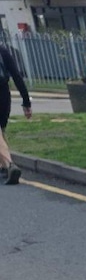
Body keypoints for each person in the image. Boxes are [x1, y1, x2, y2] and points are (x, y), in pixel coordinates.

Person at [0, 38, 33, 186]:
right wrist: (26, 102)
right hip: (3, 93)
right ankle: (3, 166)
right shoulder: (3, 51)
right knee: (1, 130)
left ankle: (9, 164)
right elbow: (17, 76)